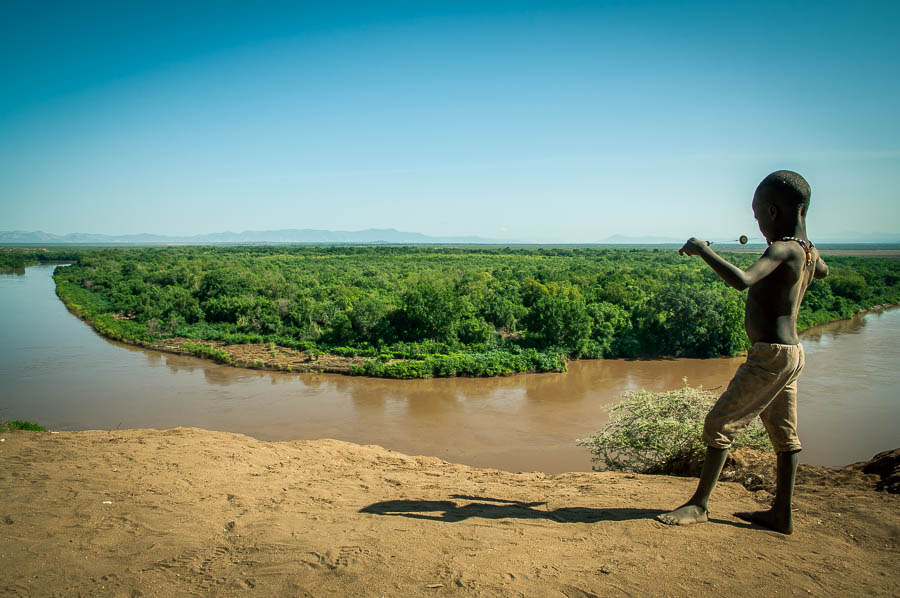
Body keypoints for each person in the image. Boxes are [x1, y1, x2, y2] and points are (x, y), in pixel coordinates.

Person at [656, 170, 828, 534]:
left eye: (756, 213)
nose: (755, 220)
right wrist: (807, 259)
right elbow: (823, 271)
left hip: (770, 357)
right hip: (792, 354)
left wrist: (703, 249)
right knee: (785, 435)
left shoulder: (781, 249)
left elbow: (743, 280)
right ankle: (782, 514)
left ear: (770, 211)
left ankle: (699, 505)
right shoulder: (808, 251)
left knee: (718, 424)